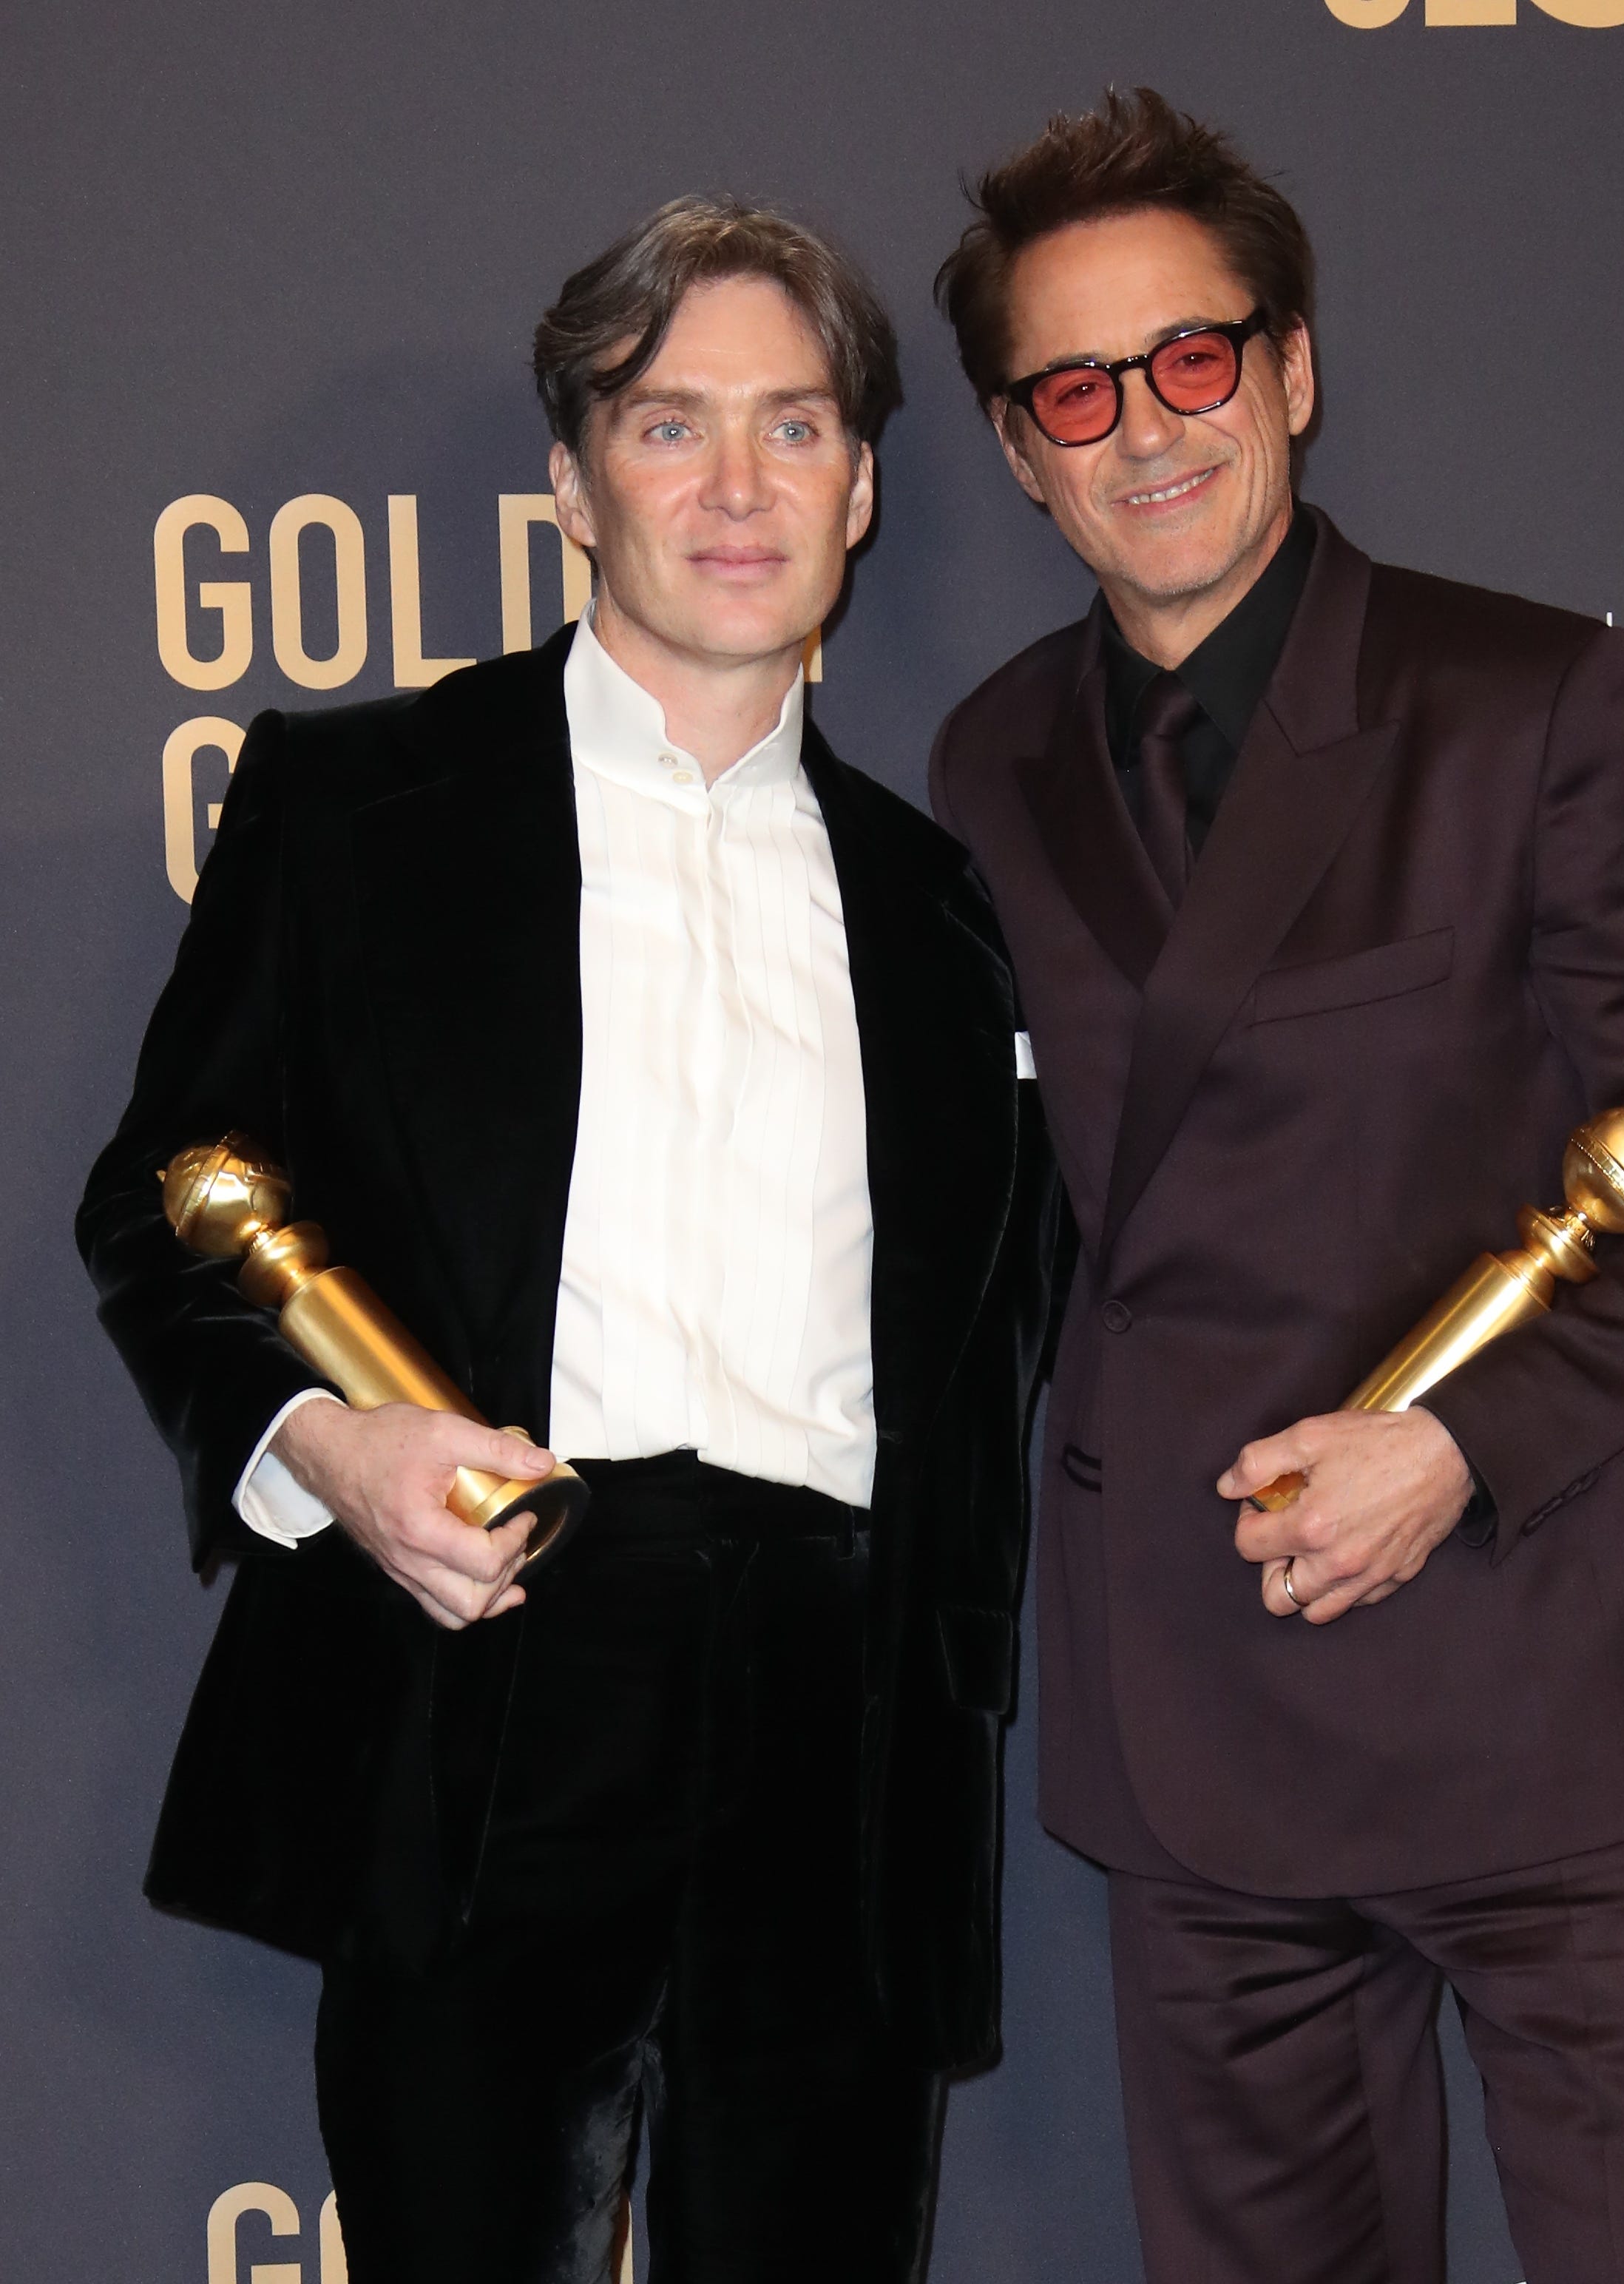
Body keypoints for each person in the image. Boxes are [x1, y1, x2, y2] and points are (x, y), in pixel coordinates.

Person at [78, 195, 1052, 2284]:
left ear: (864, 490)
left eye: (793, 430)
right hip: (494, 1671)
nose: (733, 486)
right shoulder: (359, 807)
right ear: (572, 479)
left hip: (843, 1720)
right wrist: (332, 1456)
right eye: (668, 422)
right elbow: (165, 1207)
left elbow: (1006, 1320)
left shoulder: (942, 902)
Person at [930, 89, 1624, 2284]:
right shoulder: (989, 761)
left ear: (1294, 369)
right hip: (1203, 1767)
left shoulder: (1529, 701)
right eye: (1076, 388)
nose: (1145, 428)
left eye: (1194, 360)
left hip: (1553, 1742)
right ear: (1020, 450)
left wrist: (1457, 1448)